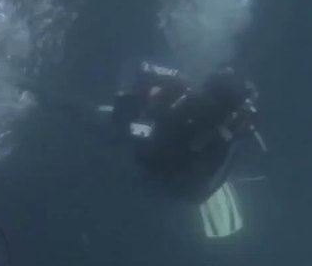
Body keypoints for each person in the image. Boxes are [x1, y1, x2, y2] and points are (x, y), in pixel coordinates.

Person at [107, 59, 262, 206]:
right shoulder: (183, 94)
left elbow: (200, 189)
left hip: (164, 174)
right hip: (159, 170)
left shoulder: (221, 134)